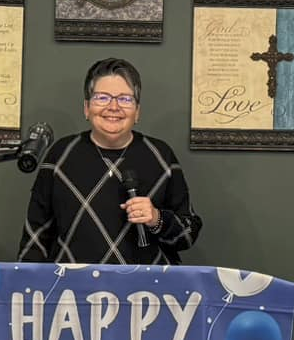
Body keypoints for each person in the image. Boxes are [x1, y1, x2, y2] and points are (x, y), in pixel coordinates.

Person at [19, 58, 202, 264]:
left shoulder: (161, 155)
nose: (113, 107)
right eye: (102, 98)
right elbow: (35, 237)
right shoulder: (60, 155)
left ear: (138, 111)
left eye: (125, 99)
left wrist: (156, 219)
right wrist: (28, 285)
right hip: (73, 290)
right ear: (86, 108)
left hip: (146, 290)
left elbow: (188, 234)